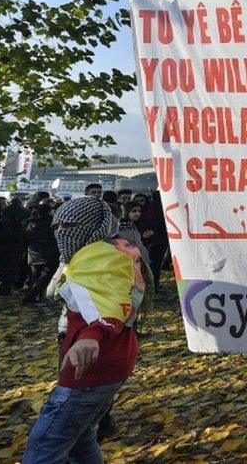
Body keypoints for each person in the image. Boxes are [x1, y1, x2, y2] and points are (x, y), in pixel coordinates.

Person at [22, 197, 143, 464]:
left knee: (44, 448)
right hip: (111, 359)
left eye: (71, 225)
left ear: (96, 226)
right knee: (80, 440)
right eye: (58, 225)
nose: (62, 231)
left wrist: (91, 337)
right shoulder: (114, 250)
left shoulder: (99, 255)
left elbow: (109, 302)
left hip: (92, 364)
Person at [21, 202, 58, 304]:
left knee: (36, 275)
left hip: (33, 252)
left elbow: (24, 239)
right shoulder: (52, 223)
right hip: (49, 253)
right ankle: (32, 295)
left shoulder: (28, 223)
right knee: (46, 276)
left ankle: (36, 295)